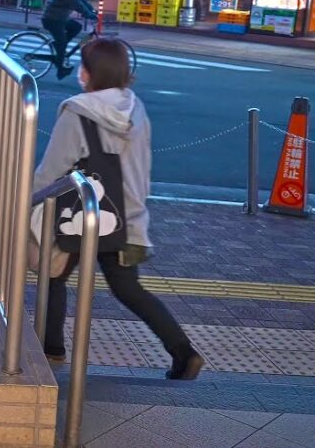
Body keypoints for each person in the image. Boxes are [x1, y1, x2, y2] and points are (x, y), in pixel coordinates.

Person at [34, 38, 203, 381]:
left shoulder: (77, 112)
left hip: (82, 215)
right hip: (127, 216)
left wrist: (26, 200)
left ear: (88, 73)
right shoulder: (134, 107)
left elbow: (50, 172)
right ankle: (184, 353)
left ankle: (51, 348)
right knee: (127, 288)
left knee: (53, 274)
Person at [43, 0, 98, 80]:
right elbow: (77, 4)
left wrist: (93, 11)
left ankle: (58, 46)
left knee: (76, 27)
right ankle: (61, 69)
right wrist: (89, 15)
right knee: (62, 42)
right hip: (52, 19)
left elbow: (82, 0)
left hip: (60, 18)